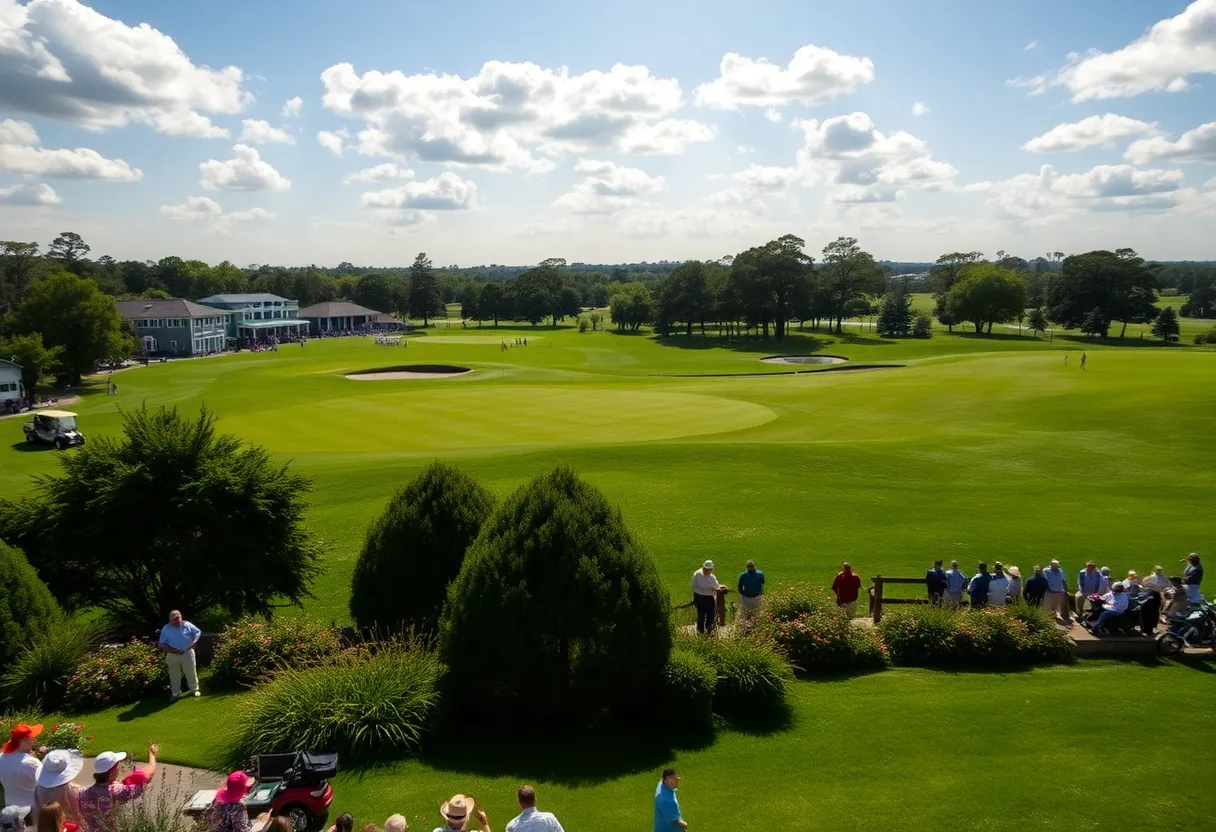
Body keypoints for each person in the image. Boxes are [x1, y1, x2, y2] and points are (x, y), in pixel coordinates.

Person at [78, 745, 157, 832]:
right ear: (112, 772)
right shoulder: (116, 791)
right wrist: (152, 754)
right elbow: (147, 777)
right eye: (117, 767)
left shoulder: (83, 793)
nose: (118, 768)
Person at [158, 609, 202, 702]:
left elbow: (198, 632)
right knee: (174, 674)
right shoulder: (166, 628)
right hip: (172, 655)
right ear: (170, 620)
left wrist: (194, 642)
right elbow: (162, 644)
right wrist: (172, 650)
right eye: (173, 620)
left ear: (181, 618)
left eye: (177, 619)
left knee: (191, 671)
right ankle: (175, 693)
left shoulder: (187, 625)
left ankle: (194, 689)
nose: (176, 622)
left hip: (187, 652)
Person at [0, 725, 42, 820]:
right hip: (31, 813)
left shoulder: (1, 759)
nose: (34, 741)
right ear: (22, 741)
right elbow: (47, 785)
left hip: (10, 810)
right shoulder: (31, 763)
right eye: (31, 738)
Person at [33, 752, 83, 828]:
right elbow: (75, 806)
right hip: (66, 825)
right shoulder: (66, 790)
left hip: (46, 825)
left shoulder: (38, 787)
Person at [691, 561, 724, 635]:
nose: (709, 571)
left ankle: (709, 630)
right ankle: (700, 631)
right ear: (704, 568)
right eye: (708, 569)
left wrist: (719, 587)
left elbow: (716, 585)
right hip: (699, 597)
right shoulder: (697, 574)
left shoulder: (712, 576)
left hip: (709, 598)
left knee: (710, 615)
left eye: (710, 569)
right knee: (701, 615)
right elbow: (693, 585)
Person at [736, 560, 765, 627]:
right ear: (747, 567)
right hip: (746, 597)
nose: (750, 568)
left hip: (756, 597)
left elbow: (762, 584)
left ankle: (755, 628)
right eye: (749, 566)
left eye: (751, 566)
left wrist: (761, 593)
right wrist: (742, 593)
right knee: (744, 614)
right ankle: (744, 628)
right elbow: (739, 586)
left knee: (756, 614)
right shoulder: (743, 575)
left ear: (754, 566)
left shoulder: (760, 574)